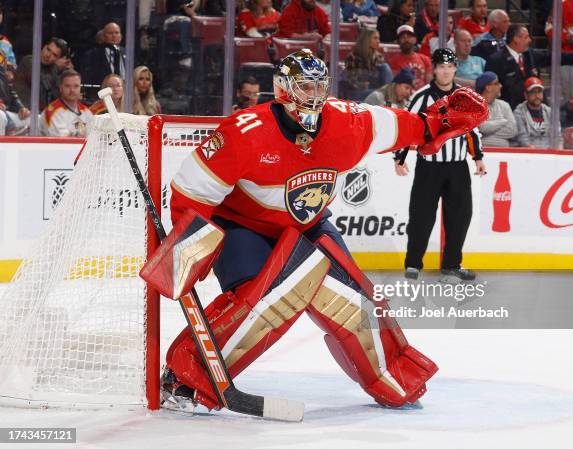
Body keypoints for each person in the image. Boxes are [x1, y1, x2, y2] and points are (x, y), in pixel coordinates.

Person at [152, 49, 487, 413]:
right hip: (244, 227)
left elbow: (407, 127)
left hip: (308, 224)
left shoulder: (349, 122)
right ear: (283, 89)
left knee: (355, 301)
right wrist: (190, 249)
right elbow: (192, 191)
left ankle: (391, 374)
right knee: (264, 301)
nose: (313, 95)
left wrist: (435, 124)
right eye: (304, 86)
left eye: (318, 86)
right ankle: (186, 378)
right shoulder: (245, 131)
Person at [397, 48, 486, 283]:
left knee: (460, 216)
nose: (445, 71)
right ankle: (413, 263)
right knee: (421, 216)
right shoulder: (422, 96)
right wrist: (400, 157)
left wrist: (477, 157)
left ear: (455, 68)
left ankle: (452, 265)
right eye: (441, 67)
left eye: (449, 67)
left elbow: (472, 128)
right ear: (434, 69)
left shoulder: (465, 97)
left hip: (457, 167)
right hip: (429, 167)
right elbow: (407, 126)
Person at [485, 24, 573, 110]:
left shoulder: (530, 55)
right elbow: (489, 92)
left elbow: (554, 57)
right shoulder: (496, 60)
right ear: (516, 39)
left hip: (536, 110)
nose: (530, 40)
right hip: (511, 113)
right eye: (526, 37)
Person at [13, 37, 70, 109]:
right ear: (43, 47)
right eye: (48, 49)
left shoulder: (53, 69)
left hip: (40, 113)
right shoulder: (29, 61)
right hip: (20, 110)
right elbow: (42, 86)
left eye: (54, 55)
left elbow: (58, 95)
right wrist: (56, 67)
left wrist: (66, 72)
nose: (48, 55)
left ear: (58, 59)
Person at [341, 29, 392, 101]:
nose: (378, 41)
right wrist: (362, 84)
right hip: (357, 92)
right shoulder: (353, 57)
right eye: (375, 38)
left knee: (385, 67)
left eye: (379, 38)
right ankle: (388, 96)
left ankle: (389, 95)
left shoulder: (379, 57)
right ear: (366, 40)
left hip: (375, 91)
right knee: (379, 94)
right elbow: (350, 80)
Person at [39, 69, 92, 137]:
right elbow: (63, 142)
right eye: (67, 86)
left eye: (76, 86)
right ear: (60, 88)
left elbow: (92, 137)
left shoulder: (86, 112)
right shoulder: (53, 112)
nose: (72, 90)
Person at [475, 71, 517, 147]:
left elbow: (512, 130)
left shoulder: (504, 105)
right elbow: (479, 128)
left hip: (505, 153)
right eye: (497, 83)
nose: (500, 86)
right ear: (487, 87)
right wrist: (503, 121)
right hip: (480, 153)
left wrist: (485, 135)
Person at [513, 77, 554, 148]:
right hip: (529, 153)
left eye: (539, 92)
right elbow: (522, 139)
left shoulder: (549, 111)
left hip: (549, 151)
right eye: (533, 92)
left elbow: (557, 136)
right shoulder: (519, 112)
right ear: (526, 95)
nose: (537, 96)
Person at [388, 25, 432, 90]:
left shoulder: (425, 59)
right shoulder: (393, 61)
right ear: (398, 41)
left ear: (415, 40)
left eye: (409, 37)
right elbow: (394, 87)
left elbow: (430, 84)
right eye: (403, 37)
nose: (406, 40)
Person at [0, 50, 30, 135]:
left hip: (6, 110)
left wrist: (21, 107)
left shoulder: (3, 76)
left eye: (1, 58)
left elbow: (12, 95)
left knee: (34, 118)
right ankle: (11, 128)